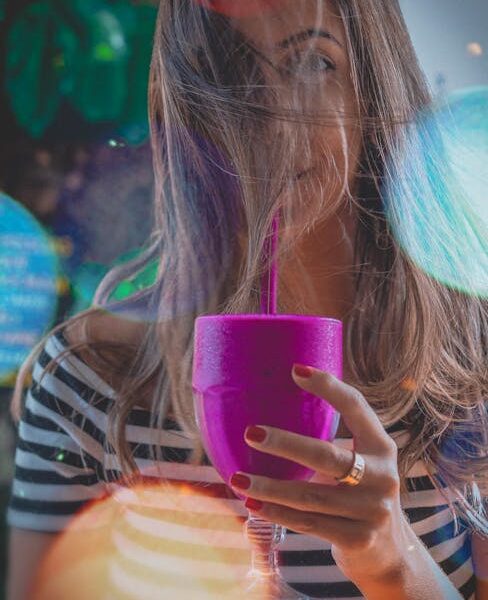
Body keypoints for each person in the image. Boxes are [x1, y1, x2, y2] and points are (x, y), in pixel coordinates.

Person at [6, 1, 488, 599]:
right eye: (223, 68)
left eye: (312, 62)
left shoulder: (474, 371)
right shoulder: (87, 376)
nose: (266, 117)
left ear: (374, 89)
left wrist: (395, 565)